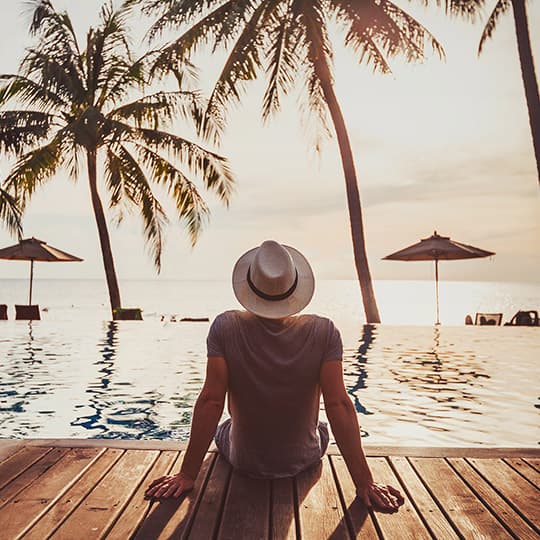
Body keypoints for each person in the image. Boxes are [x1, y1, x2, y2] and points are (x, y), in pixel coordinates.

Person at [145, 240, 404, 512]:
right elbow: (339, 404)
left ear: (249, 285)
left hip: (244, 459)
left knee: (225, 426)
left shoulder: (225, 327)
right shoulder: (324, 332)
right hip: (304, 458)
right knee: (323, 427)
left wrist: (187, 474)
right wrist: (365, 482)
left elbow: (211, 401)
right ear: (295, 287)